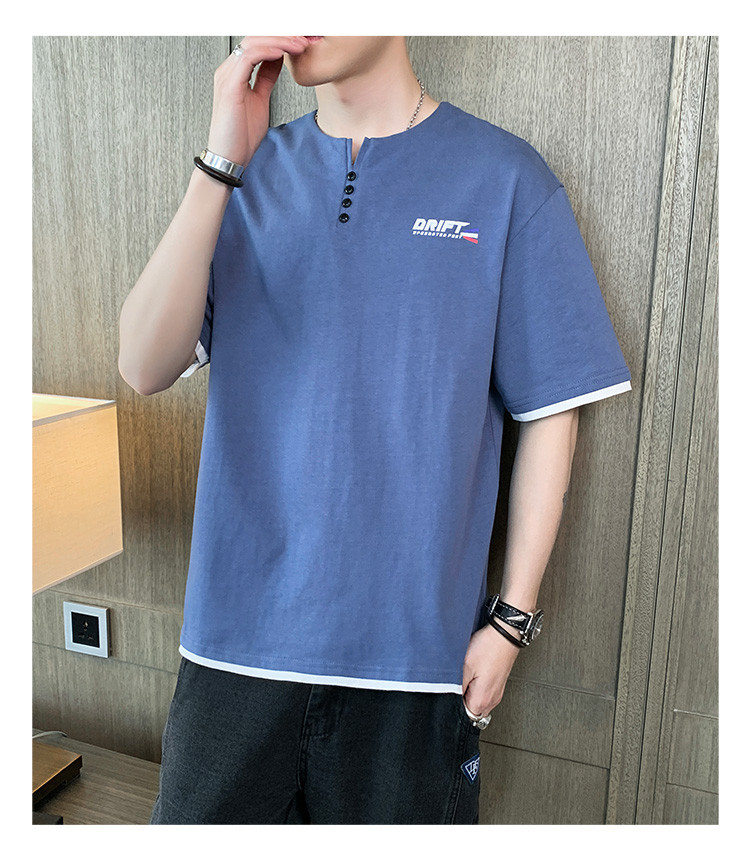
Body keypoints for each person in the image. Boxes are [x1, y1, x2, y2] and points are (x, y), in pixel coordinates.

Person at [118, 36, 632, 825]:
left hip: (413, 666)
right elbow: (144, 365)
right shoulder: (246, 177)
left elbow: (550, 412)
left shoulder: (505, 179)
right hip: (232, 651)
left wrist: (511, 621)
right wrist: (219, 164)